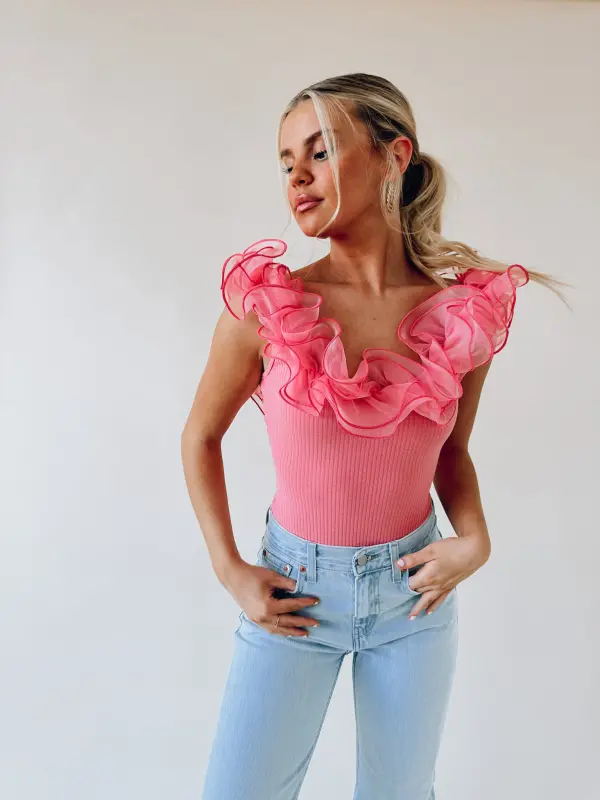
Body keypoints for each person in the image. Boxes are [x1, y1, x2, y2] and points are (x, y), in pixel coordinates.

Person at [181, 73, 564, 800]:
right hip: (294, 597)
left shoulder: (459, 317)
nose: (297, 176)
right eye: (286, 161)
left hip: (412, 601)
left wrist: (476, 540)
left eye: (320, 151)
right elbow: (200, 437)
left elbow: (452, 453)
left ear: (395, 156)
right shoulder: (269, 308)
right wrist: (230, 569)